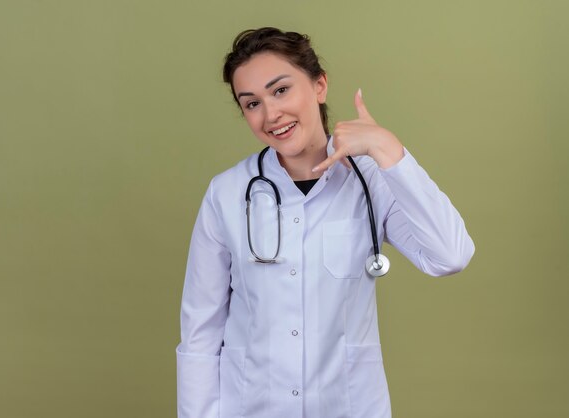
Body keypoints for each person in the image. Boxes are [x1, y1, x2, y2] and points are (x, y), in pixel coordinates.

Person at [176, 27, 474, 418]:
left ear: (319, 86)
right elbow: (201, 330)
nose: (270, 115)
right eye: (251, 103)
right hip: (251, 408)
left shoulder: (373, 180)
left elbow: (449, 255)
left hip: (348, 407)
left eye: (281, 90)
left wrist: (388, 150)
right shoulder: (228, 193)